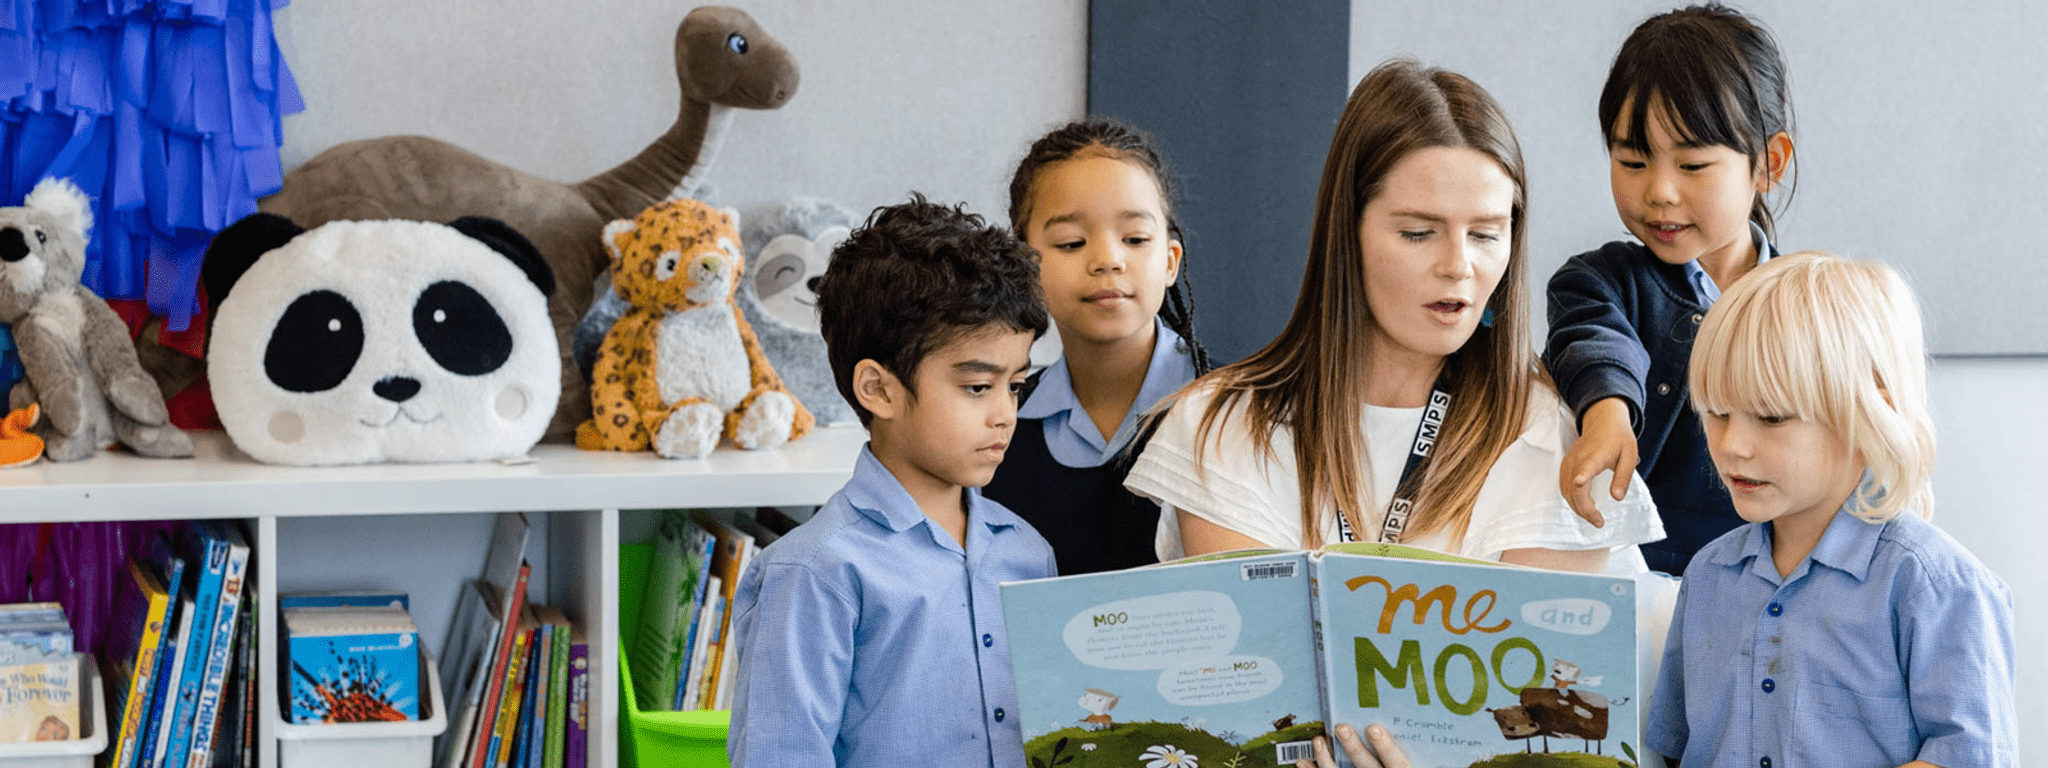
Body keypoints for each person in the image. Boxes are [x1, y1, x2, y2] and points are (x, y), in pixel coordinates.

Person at [1125, 59, 1663, 574]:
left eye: (1485, 234)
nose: (1459, 266)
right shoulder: (1221, 427)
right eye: (1417, 233)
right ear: (1347, 232)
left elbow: (1541, 667)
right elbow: (1257, 659)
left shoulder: (1553, 443)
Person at [724, 195, 1057, 768]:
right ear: (878, 389)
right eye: (978, 387)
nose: (1006, 413)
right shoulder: (813, 574)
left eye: (1016, 386)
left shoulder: (1028, 554)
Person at [1647, 252, 2017, 767]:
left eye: (1772, 418)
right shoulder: (1708, 575)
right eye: (1717, 413)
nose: (1732, 445)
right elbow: (1671, 747)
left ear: (1872, 413)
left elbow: (1972, 756)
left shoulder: (1936, 586)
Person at [1544, 3, 1795, 575]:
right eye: (1632, 161)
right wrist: (1607, 413)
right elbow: (1595, 340)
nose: (1659, 191)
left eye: (1693, 165)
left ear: (1767, 164)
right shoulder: (1595, 281)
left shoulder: (1810, 308)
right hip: (1635, 596)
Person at [981, 118, 1210, 574]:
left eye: (1135, 239)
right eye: (1071, 242)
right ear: (1025, 265)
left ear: (1170, 261)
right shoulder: (994, 426)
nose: (1108, 259)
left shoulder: (1236, 411)